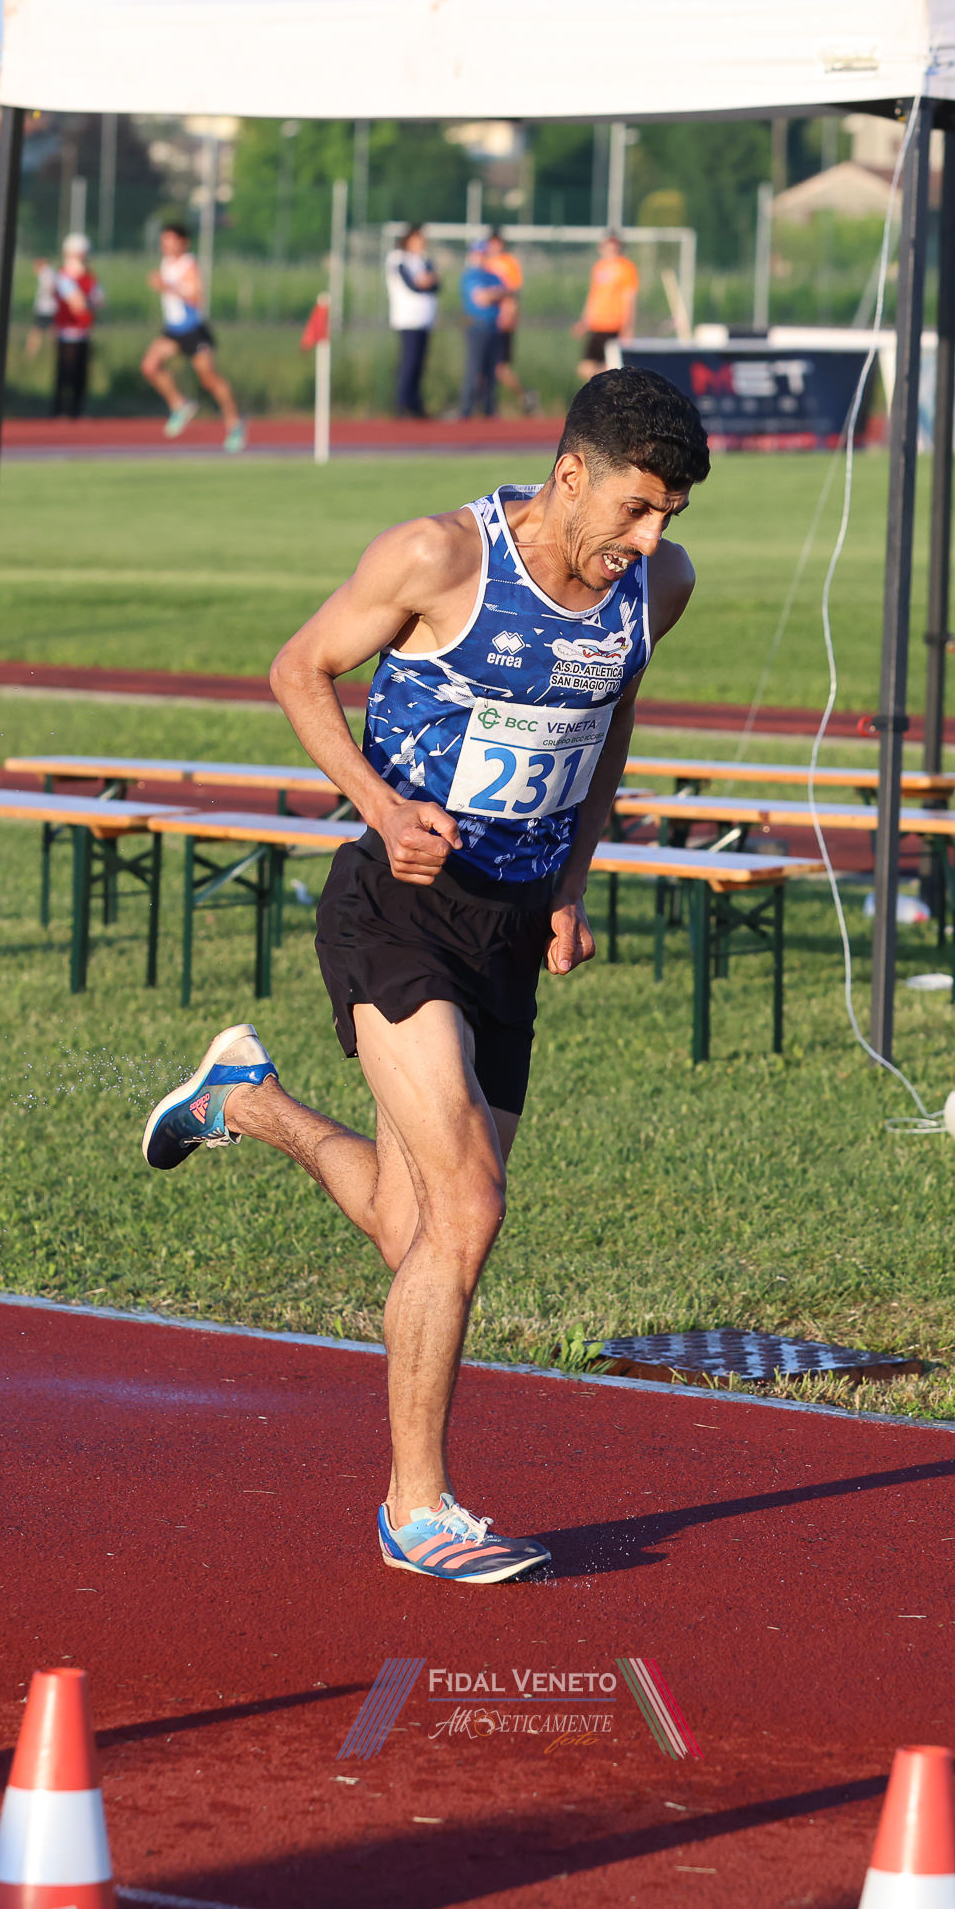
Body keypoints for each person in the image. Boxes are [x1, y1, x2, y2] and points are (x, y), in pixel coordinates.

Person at [140, 368, 709, 1586]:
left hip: (511, 925)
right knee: (469, 1211)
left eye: (671, 513)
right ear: (571, 474)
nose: (650, 535)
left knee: (415, 1226)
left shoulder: (658, 585)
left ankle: (246, 1100)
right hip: (397, 907)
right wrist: (381, 805)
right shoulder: (438, 557)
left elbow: (610, 721)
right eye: (636, 507)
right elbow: (298, 669)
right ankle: (416, 1507)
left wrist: (574, 879)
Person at [143, 222, 245, 450]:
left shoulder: (189, 265)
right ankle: (180, 405)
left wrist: (167, 287)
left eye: (170, 240)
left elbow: (197, 297)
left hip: (193, 330)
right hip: (173, 330)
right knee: (150, 366)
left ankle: (235, 424)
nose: (165, 244)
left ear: (183, 242)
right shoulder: (166, 263)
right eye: (163, 240)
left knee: (209, 380)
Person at [387, 223, 439, 419]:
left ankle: (415, 403)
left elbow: (435, 284)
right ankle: (402, 403)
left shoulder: (424, 260)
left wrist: (426, 282)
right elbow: (412, 284)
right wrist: (424, 282)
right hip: (407, 319)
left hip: (425, 319)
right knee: (408, 362)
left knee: (419, 363)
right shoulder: (398, 259)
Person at [452, 235, 506, 419]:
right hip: (476, 326)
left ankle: (489, 408)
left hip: (494, 327)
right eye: (478, 253)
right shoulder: (470, 276)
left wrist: (495, 294)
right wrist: (495, 294)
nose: (481, 257)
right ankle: (466, 408)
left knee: (491, 370)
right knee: (473, 369)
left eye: (483, 253)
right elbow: (481, 298)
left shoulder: (493, 275)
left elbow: (507, 292)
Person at [576, 231, 639, 382]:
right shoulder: (599, 267)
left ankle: (609, 385)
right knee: (585, 368)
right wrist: (585, 321)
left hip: (614, 325)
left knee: (613, 366)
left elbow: (629, 299)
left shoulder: (626, 268)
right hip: (597, 325)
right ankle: (605, 385)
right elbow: (593, 295)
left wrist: (627, 327)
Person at [50, 232, 99, 419]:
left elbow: (97, 300)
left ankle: (76, 410)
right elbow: (76, 303)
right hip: (66, 331)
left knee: (81, 373)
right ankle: (60, 409)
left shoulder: (89, 278)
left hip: (83, 331)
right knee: (65, 371)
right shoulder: (63, 276)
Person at [489, 231, 531, 414]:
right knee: (485, 366)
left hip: (502, 320)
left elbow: (514, 292)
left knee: (500, 367)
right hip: (487, 320)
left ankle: (525, 396)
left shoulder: (509, 263)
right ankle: (486, 403)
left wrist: (510, 315)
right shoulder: (485, 262)